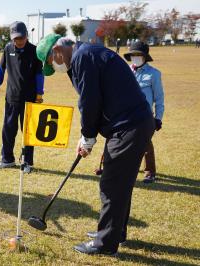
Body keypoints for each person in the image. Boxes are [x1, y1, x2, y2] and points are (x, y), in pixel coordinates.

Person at [36, 34, 154, 255]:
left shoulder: (83, 58)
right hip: (132, 123)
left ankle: (105, 243)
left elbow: (90, 103)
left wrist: (88, 137)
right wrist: (88, 136)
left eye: (51, 63)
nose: (54, 68)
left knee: (112, 185)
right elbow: (95, 100)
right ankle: (115, 231)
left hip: (129, 126)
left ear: (57, 51)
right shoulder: (85, 55)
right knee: (120, 184)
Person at [0, 21, 44, 173]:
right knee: (8, 129)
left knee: (27, 131)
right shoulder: (8, 48)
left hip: (30, 97)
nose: (18, 41)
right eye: (15, 39)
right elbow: (1, 69)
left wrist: (39, 94)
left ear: (26, 36)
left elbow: (40, 74)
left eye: (20, 38)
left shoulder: (35, 51)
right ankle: (7, 159)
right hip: (11, 97)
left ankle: (27, 162)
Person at [124, 41, 164, 183]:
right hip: (126, 114)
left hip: (145, 116)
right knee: (119, 140)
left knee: (145, 143)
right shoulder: (125, 71)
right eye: (132, 55)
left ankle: (150, 172)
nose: (135, 57)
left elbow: (159, 99)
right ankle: (110, 167)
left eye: (138, 54)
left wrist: (158, 118)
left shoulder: (154, 74)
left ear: (145, 56)